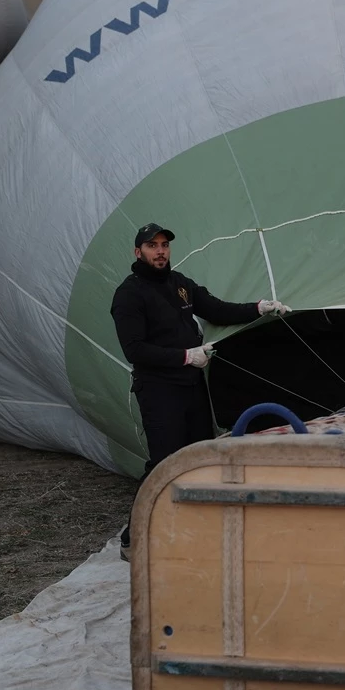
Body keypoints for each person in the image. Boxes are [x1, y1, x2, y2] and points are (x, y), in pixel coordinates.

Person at [110, 223, 288, 560]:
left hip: (190, 385)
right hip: (159, 389)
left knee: (197, 458)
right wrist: (183, 356)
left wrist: (258, 308)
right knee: (164, 462)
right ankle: (133, 537)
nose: (160, 251)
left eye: (164, 245)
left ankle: (190, 528)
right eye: (152, 246)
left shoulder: (180, 285)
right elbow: (134, 349)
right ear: (138, 252)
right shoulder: (129, 294)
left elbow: (217, 309)